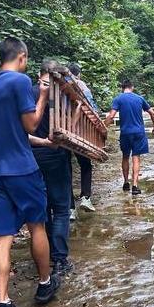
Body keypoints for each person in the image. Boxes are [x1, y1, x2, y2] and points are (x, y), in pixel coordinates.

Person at [0, 37, 60, 307]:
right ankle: (45, 283)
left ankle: (3, 304)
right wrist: (43, 96)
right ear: (22, 57)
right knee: (37, 224)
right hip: (21, 170)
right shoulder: (20, 82)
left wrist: (44, 143)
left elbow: (14, 133)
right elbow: (30, 123)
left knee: (3, 236)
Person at [29, 60, 74, 276]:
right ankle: (60, 258)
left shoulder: (27, 92)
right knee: (62, 209)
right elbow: (70, 127)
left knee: (43, 208)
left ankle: (43, 254)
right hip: (55, 156)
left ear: (39, 74)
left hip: (31, 158)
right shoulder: (63, 94)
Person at [104, 80, 154, 195]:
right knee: (136, 157)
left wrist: (103, 127)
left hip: (125, 133)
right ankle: (135, 185)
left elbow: (111, 116)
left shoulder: (118, 99)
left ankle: (125, 183)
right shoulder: (139, 98)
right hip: (138, 133)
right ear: (132, 87)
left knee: (125, 157)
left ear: (122, 88)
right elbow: (152, 113)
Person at [67, 63, 96, 214]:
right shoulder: (82, 86)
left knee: (66, 168)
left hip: (61, 131)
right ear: (78, 74)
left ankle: (70, 207)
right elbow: (92, 108)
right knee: (85, 164)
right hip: (80, 132)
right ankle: (86, 197)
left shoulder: (59, 85)